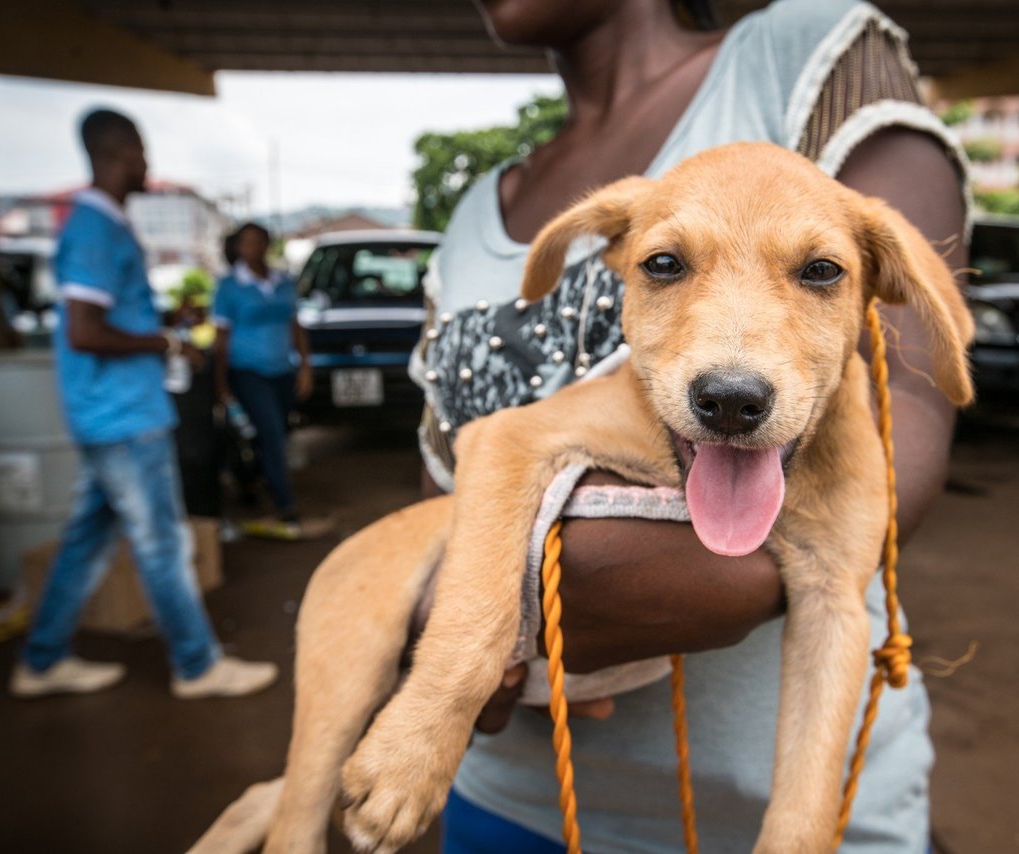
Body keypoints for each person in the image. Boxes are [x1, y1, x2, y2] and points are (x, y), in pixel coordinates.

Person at [412, 0, 969, 851]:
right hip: (510, 794)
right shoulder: (471, 218)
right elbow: (436, 496)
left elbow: (913, 390)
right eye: (666, 266)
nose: (732, 372)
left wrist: (578, 579)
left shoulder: (802, 53)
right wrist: (450, 642)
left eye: (815, 272)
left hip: (777, 813)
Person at [11, 109, 278, 700]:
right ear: (117, 152)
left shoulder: (101, 225)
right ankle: (197, 664)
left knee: (88, 538)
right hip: (123, 416)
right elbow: (84, 330)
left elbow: (106, 317)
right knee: (162, 544)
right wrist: (164, 341)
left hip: (112, 413)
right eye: (140, 152)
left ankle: (42, 658)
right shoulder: (95, 228)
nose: (147, 164)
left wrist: (164, 321)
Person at [212, 223, 312, 531]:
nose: (254, 247)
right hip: (248, 372)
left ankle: (247, 480)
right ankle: (285, 504)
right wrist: (221, 385)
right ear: (238, 247)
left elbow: (295, 325)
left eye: (259, 241)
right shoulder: (229, 287)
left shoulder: (283, 282)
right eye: (248, 242)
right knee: (271, 434)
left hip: (283, 370)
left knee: (273, 433)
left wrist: (305, 366)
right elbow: (221, 338)